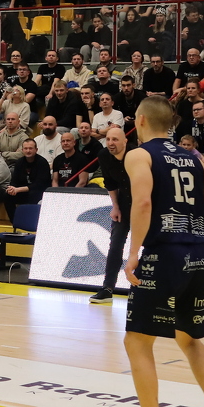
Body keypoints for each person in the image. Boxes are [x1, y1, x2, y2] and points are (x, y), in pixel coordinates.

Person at [105, 96, 204, 407]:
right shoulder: (193, 158)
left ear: (140, 121)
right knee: (190, 339)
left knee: (137, 341)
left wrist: (133, 253)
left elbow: (143, 202)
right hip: (197, 256)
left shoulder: (139, 155)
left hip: (163, 255)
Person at [89, 125, 133, 304]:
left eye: (115, 139)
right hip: (123, 201)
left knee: (148, 247)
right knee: (115, 246)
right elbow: (110, 183)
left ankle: (147, 289)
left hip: (143, 203)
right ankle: (107, 288)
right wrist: (115, 206)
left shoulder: (136, 155)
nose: (110, 143)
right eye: (108, 139)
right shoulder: (104, 155)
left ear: (125, 141)